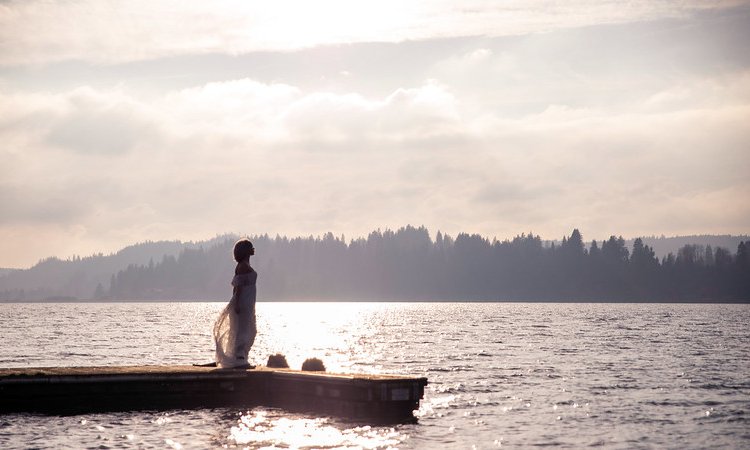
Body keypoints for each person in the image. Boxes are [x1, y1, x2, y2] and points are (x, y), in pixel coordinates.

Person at [213, 238, 257, 368]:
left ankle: (241, 357)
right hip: (243, 302)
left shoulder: (244, 265)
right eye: (251, 247)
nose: (253, 249)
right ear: (246, 251)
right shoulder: (242, 266)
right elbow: (238, 287)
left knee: (249, 329)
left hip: (248, 302)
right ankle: (239, 359)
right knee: (242, 330)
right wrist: (237, 304)